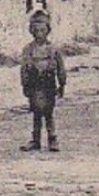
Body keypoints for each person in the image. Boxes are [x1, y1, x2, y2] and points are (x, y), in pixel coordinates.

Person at [19, 8, 67, 153]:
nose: (39, 34)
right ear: (32, 31)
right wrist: (25, 84)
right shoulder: (28, 49)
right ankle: (36, 140)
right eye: (36, 30)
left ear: (48, 31)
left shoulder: (53, 49)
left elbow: (60, 68)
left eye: (42, 30)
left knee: (48, 112)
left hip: (48, 83)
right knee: (36, 112)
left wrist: (62, 83)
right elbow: (24, 68)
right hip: (34, 84)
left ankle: (52, 139)